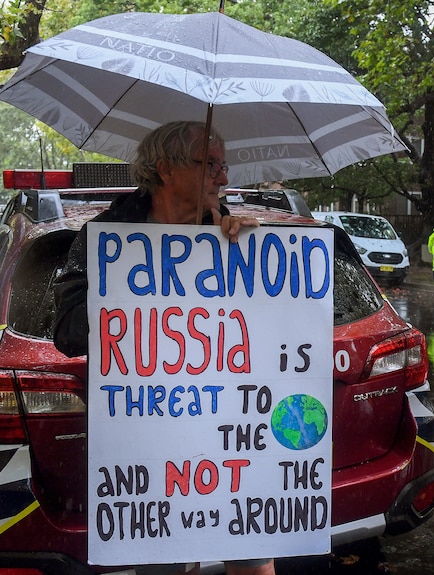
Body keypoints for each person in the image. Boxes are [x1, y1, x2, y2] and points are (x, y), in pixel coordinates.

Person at [53, 121, 274, 575]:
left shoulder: (231, 235)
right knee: (163, 565)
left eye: (223, 165)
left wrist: (249, 253)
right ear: (165, 169)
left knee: (253, 561)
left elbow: (273, 327)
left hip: (229, 435)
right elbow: (67, 331)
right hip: (150, 441)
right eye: (210, 164)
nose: (224, 177)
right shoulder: (105, 238)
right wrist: (131, 296)